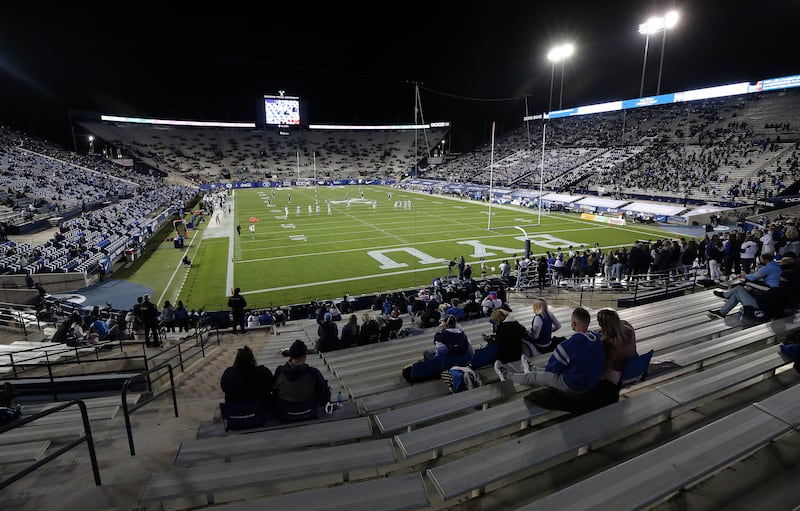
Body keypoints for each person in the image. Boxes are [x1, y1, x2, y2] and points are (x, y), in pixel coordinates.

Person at [495, 307, 605, 396]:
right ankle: (532, 368)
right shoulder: (597, 339)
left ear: (573, 324)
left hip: (574, 386)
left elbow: (550, 370)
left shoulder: (568, 346)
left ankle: (505, 374)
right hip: (590, 382)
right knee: (564, 367)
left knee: (534, 377)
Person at [273, 340, 331, 422]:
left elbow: (275, 393)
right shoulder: (313, 373)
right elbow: (325, 395)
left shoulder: (279, 372)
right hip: (309, 412)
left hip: (286, 414)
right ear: (305, 356)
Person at [220, 346, 275, 428]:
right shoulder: (263, 372)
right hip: (259, 414)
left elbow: (224, 388)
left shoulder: (228, 374)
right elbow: (272, 385)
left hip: (235, 416)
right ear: (252, 359)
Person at [710, 270, 800, 319]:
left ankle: (725, 295)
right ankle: (722, 312)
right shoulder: (792, 289)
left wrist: (751, 292)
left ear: (784, 279)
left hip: (761, 309)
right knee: (736, 295)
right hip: (771, 309)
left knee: (739, 288)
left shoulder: (780, 290)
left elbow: (762, 298)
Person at [595, 308, 637, 386]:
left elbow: (607, 363)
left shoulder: (608, 342)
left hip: (621, 373)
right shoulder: (628, 328)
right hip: (635, 367)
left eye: (599, 322)